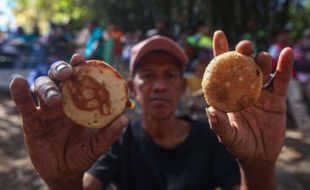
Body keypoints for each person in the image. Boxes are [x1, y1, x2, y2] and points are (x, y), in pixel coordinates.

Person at [9, 31, 294, 190]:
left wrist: (259, 165)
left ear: (183, 87)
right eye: (148, 75)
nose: (159, 86)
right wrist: (62, 181)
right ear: (129, 87)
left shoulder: (214, 139)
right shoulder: (115, 142)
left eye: (170, 75)